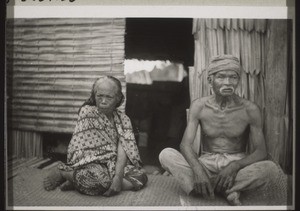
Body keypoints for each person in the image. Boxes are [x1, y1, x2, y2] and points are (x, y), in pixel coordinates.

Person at [159, 55, 280, 205]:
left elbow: (261, 151)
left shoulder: (250, 109)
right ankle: (226, 189)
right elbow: (185, 145)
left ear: (238, 80)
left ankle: (205, 187)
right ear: (210, 80)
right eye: (221, 77)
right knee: (166, 155)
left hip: (237, 162)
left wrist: (234, 166)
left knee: (271, 169)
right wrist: (198, 171)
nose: (228, 82)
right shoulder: (199, 106)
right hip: (206, 162)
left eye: (233, 77)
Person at [43, 76, 148, 196]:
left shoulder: (123, 119)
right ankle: (64, 172)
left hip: (112, 164)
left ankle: (76, 182)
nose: (103, 101)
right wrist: (108, 176)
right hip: (89, 164)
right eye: (99, 96)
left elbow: (124, 148)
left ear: (118, 98)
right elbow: (82, 153)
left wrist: (118, 177)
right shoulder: (88, 113)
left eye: (109, 97)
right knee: (100, 181)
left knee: (141, 176)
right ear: (94, 95)